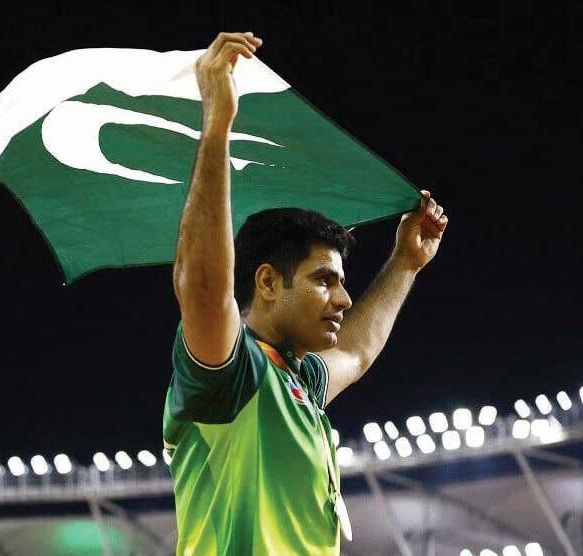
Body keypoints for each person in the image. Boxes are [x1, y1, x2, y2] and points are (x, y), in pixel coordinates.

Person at [162, 31, 448, 555]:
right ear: (268, 282)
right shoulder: (230, 375)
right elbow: (201, 284)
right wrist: (217, 125)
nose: (343, 300)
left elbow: (356, 353)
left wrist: (406, 262)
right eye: (324, 280)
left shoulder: (301, 383)